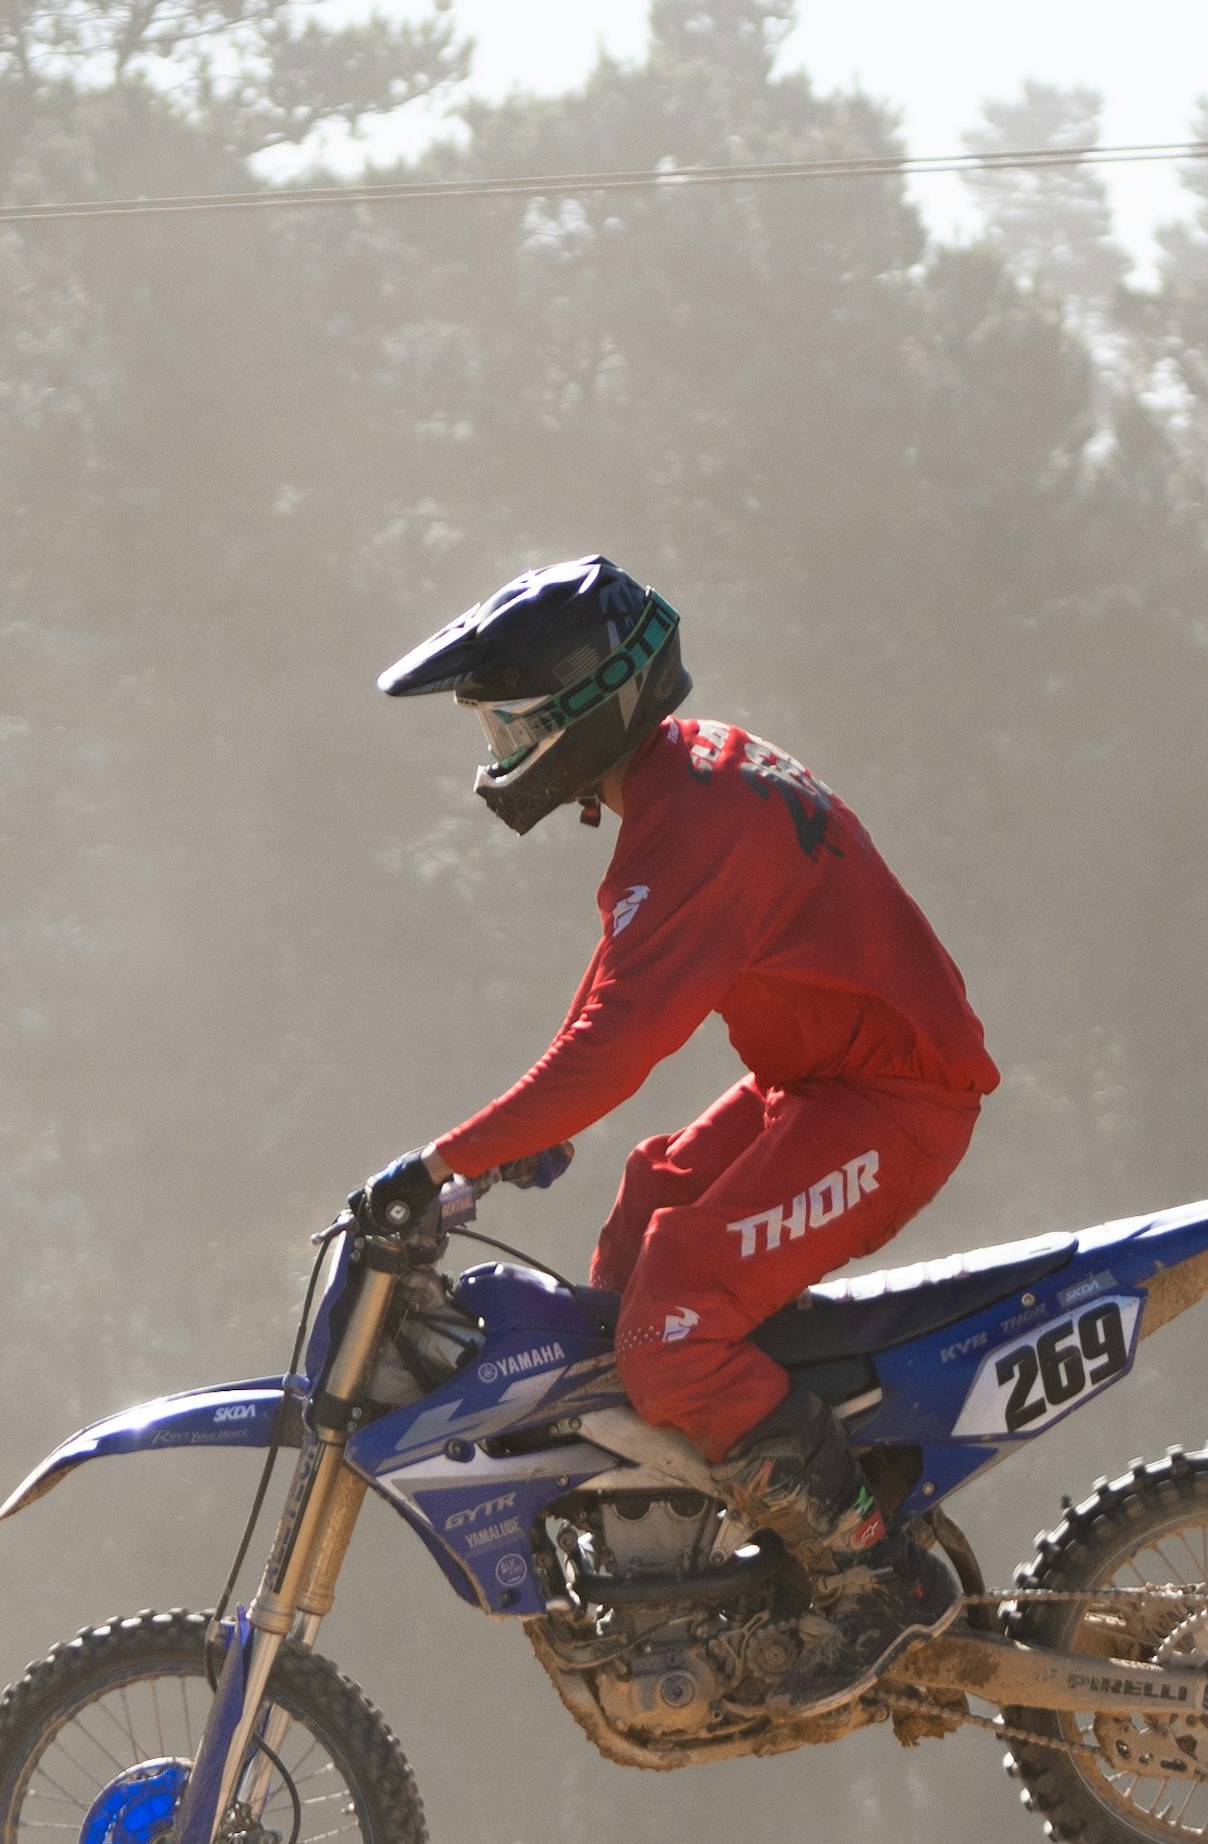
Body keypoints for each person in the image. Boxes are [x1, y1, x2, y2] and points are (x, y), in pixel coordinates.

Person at [370, 556, 1002, 1614]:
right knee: (646, 1199)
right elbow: (612, 993)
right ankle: (673, 1544)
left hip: (895, 1104)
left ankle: (871, 1572)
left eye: (512, 728)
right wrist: (526, 1132)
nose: (503, 755)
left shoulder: (697, 830)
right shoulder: (679, 786)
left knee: (670, 1322)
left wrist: (441, 1161)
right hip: (822, 1082)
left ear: (587, 708)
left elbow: (613, 1047)